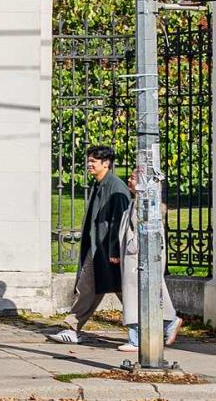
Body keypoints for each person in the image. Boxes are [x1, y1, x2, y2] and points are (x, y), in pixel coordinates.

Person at [49, 145, 130, 344]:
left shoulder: (115, 188)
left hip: (106, 250)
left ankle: (163, 323)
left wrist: (113, 250)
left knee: (123, 291)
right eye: (89, 160)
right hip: (98, 248)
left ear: (106, 163)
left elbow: (120, 221)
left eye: (94, 161)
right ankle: (73, 327)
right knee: (91, 288)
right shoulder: (100, 184)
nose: (89, 164)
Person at [117, 171, 181, 352]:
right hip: (135, 255)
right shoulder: (135, 204)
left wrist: (133, 246)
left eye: (133, 178)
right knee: (144, 291)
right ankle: (165, 323)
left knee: (142, 292)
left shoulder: (146, 205)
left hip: (138, 256)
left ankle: (139, 336)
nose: (129, 180)